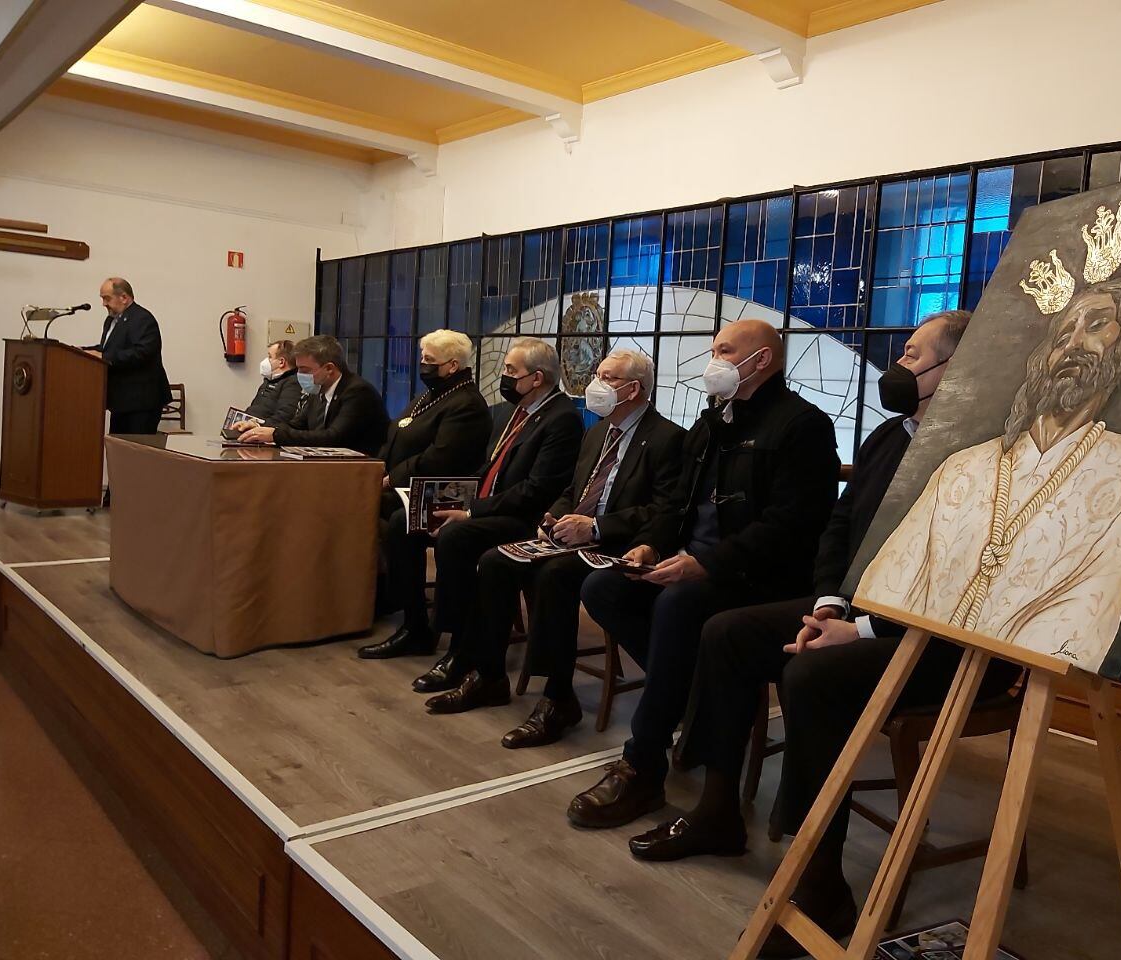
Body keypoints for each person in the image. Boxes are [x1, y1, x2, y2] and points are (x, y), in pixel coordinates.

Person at [625, 311, 1019, 958]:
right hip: (861, 608)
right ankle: (718, 809)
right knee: (727, 633)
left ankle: (822, 880)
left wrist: (861, 629)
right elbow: (839, 526)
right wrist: (832, 602)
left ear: (958, 368)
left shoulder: (990, 453)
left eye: (913, 354)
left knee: (809, 673)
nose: (899, 365)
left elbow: (967, 571)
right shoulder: (890, 436)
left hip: (951, 640)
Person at [566, 319, 840, 831]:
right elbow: (677, 501)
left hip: (760, 574)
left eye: (725, 351)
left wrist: (707, 563)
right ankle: (692, 691)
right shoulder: (712, 420)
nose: (714, 361)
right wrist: (652, 544)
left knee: (679, 605)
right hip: (693, 561)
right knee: (605, 587)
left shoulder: (802, 425)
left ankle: (642, 763)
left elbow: (793, 524)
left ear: (761, 360)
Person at [859, 278, 1121, 670]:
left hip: (1002, 662)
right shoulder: (962, 465)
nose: (1073, 345)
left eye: (1095, 327)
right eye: (1062, 336)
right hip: (921, 638)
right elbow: (894, 581)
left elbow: (1087, 610)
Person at [422, 349, 685, 746]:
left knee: (555, 575)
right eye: (597, 375)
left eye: (608, 378)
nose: (596, 385)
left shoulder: (667, 438)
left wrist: (595, 527)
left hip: (620, 545)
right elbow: (573, 489)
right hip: (572, 536)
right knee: (496, 561)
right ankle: (488, 674)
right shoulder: (597, 431)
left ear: (633, 390)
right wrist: (555, 516)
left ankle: (558, 697)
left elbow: (663, 511)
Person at [359, 338, 582, 673]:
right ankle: (414, 626)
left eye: (511, 370)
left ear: (537, 378)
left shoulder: (561, 418)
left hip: (523, 518)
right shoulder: (514, 410)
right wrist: (445, 497)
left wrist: (471, 511)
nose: (504, 376)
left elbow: (536, 490)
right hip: (487, 503)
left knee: (455, 537)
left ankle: (461, 645)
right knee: (404, 520)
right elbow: (487, 468)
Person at [355, 330, 493, 658]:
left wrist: (391, 479)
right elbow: (397, 432)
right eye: (422, 357)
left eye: (429, 360)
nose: (422, 365)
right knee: (359, 505)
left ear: (453, 365)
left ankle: (414, 623)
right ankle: (372, 597)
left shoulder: (467, 404)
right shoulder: (433, 394)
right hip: (411, 483)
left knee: (397, 520)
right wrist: (377, 467)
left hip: (447, 491)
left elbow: (440, 458)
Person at [238, 335, 388, 456]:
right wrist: (260, 428)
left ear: (329, 368)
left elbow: (333, 437)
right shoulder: (319, 390)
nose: (299, 375)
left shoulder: (358, 392)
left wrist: (276, 435)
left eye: (305, 370)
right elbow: (297, 425)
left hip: (362, 470)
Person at [84, 277, 170, 435]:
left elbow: (142, 352)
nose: (103, 304)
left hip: (141, 402)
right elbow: (107, 349)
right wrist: (83, 351)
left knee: (135, 449)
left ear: (124, 297)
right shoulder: (111, 320)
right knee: (118, 447)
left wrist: (104, 357)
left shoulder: (142, 318)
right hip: (121, 401)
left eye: (107, 298)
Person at [243, 340, 302, 426]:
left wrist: (257, 426)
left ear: (281, 362)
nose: (266, 360)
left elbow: (284, 417)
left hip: (261, 430)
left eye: (270, 357)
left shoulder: (292, 383)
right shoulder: (269, 381)